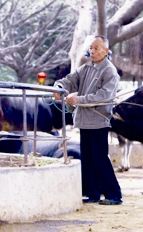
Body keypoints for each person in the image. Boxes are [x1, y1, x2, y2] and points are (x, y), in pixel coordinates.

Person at [52, 35, 122, 205]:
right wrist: (58, 88)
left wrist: (79, 100)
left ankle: (114, 195)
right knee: (88, 158)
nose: (92, 51)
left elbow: (104, 95)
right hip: (84, 121)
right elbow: (69, 80)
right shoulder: (87, 67)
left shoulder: (110, 71)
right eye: (91, 47)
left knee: (100, 157)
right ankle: (92, 193)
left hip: (98, 121)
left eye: (97, 48)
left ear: (106, 51)